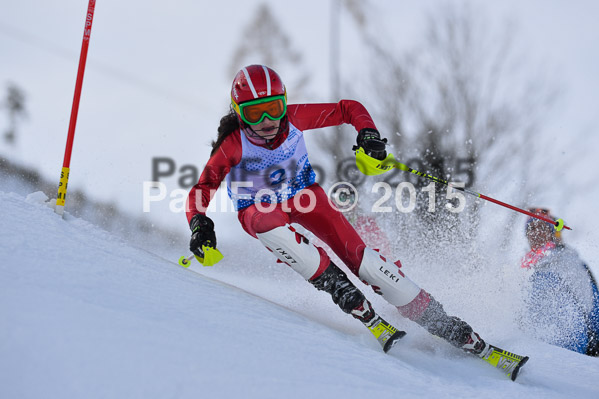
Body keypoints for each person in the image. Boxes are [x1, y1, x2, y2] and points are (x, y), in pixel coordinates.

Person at [186, 64, 489, 357]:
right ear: (239, 114)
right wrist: (199, 223)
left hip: (305, 197)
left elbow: (348, 108)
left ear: (285, 103)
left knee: (363, 260)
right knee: (272, 226)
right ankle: (338, 286)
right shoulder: (233, 144)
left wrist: (367, 134)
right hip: (257, 207)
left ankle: (440, 320)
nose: (266, 119)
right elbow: (202, 189)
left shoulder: (295, 118)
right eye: (254, 112)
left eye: (274, 108)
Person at [520, 208, 599, 356]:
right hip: (534, 345)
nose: (536, 233)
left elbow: (593, 304)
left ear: (552, 234)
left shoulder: (567, 261)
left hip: (570, 349)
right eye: (531, 228)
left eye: (542, 227)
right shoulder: (526, 269)